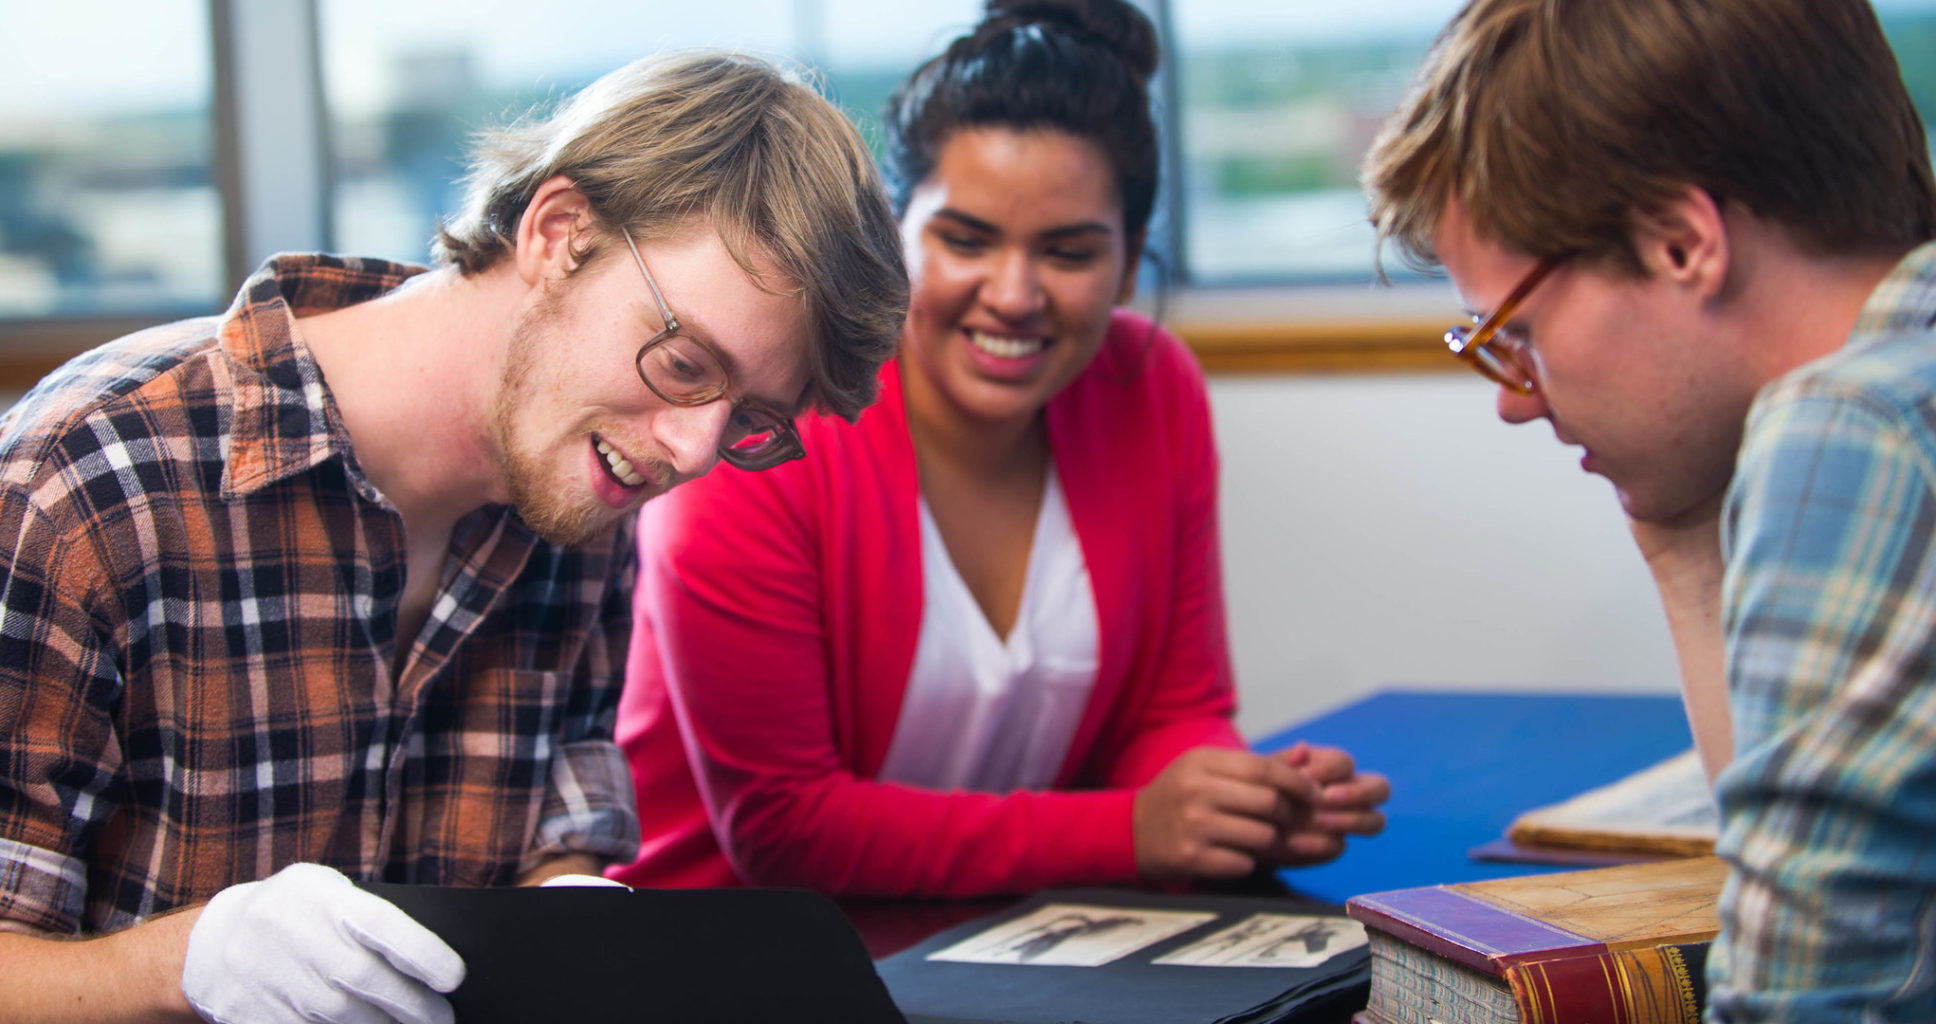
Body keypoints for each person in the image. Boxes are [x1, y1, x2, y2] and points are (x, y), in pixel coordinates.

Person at [0, 51, 906, 1024]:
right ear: (557, 233)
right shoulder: (87, 481)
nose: (691, 450)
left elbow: (547, 845)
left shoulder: (587, 475)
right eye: (684, 362)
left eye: (749, 423)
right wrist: (184, 965)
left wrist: (571, 918)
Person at [609, 0, 1389, 899]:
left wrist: (1233, 799)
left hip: (1023, 939)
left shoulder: (1153, 388)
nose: (1014, 294)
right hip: (752, 958)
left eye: (1068, 252)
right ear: (893, 238)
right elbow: (783, 828)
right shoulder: (765, 435)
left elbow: (1173, 715)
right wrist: (1134, 831)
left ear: (1131, 264)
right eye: (966, 240)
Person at [1361, 0, 1936, 1019]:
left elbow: (1801, 1000)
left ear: (1679, 242)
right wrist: (1679, 546)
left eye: (1514, 329)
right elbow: (1792, 884)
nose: (1510, 395)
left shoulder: (1855, 426)